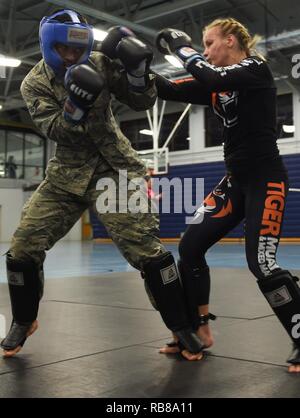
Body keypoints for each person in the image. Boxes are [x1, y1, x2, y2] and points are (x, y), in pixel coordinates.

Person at [0, 10, 203, 360]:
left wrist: (138, 74)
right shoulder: (33, 83)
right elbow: (54, 130)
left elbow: (142, 101)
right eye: (63, 48)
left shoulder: (100, 62)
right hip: (66, 175)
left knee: (148, 252)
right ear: (50, 45)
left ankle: (181, 326)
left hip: (117, 170)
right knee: (22, 248)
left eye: (75, 48)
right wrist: (75, 105)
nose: (70, 56)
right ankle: (24, 318)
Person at [154, 18, 300, 372]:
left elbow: (213, 76)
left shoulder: (255, 68)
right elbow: (171, 89)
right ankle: (198, 327)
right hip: (235, 181)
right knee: (189, 247)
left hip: (266, 180)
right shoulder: (216, 84)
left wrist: (181, 47)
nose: (205, 51)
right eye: (201, 45)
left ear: (231, 41)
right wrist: (133, 72)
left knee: (261, 263)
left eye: (209, 43)